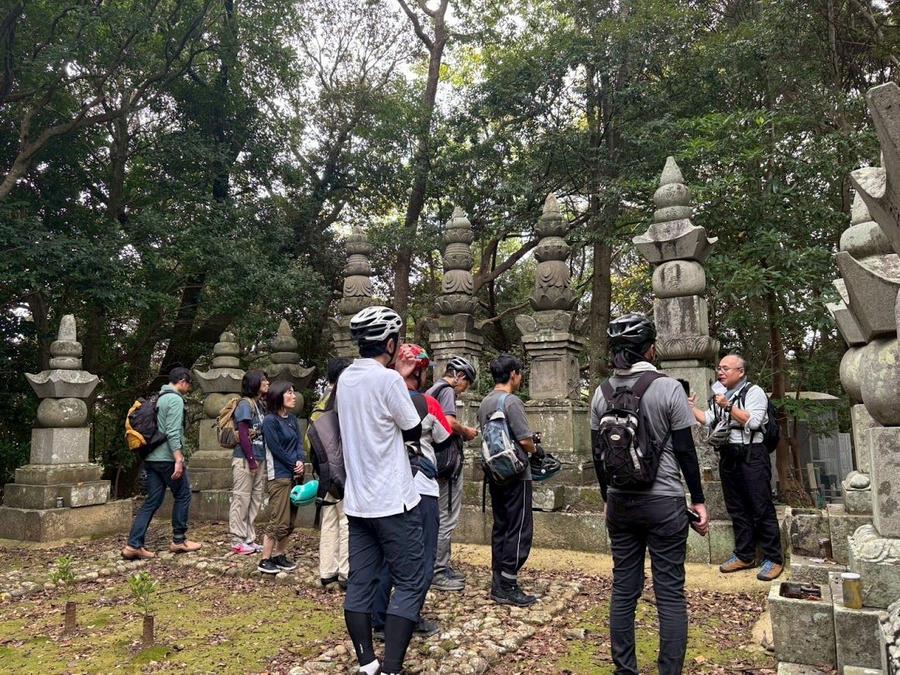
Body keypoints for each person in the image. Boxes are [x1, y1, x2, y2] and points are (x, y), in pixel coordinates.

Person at [590, 313, 708, 675]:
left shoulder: (601, 392)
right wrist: (698, 500)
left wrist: (606, 499)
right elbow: (687, 451)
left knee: (624, 588)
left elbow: (598, 454)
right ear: (650, 349)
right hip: (665, 500)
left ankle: (625, 670)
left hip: (621, 501)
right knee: (669, 592)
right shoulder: (669, 387)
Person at [338, 306, 427, 675]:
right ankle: (392, 667)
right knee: (411, 580)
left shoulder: (345, 379)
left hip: (358, 502)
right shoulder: (388, 381)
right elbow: (412, 427)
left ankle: (367, 663)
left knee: (361, 582)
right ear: (390, 343)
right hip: (393, 500)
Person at [373, 343, 452, 640]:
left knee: (386, 556)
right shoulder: (427, 404)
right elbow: (444, 439)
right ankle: (409, 617)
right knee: (422, 556)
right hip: (422, 486)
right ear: (419, 372)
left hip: (387, 487)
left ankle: (378, 619)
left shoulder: (377, 400)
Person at [689, 354, 784, 581]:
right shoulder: (720, 395)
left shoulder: (754, 392)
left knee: (760, 506)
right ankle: (744, 554)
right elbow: (708, 419)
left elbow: (752, 421)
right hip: (729, 456)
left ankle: (774, 558)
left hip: (752, 455)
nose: (720, 372)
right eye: (719, 368)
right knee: (737, 508)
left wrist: (729, 405)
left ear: (740, 372)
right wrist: (690, 407)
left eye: (725, 369)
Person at [476, 353, 539, 607]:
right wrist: (536, 449)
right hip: (516, 474)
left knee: (501, 526)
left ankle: (497, 581)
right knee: (519, 528)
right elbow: (524, 440)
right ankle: (509, 584)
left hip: (495, 474)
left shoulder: (485, 402)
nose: (520, 377)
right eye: (520, 373)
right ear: (513, 374)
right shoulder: (511, 402)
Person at [122, 367, 202, 560]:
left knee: (152, 501)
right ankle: (179, 540)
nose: (189, 388)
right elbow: (173, 432)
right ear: (182, 381)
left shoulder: (157, 397)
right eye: (189, 384)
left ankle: (133, 545)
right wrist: (179, 459)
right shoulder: (174, 399)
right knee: (183, 494)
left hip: (151, 458)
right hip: (167, 458)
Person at [425, 356, 478, 592]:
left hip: (432, 461)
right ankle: (438, 571)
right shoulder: (446, 390)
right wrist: (466, 431)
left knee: (439, 516)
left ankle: (440, 566)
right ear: (461, 377)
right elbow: (448, 422)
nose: (464, 390)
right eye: (467, 385)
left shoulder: (432, 389)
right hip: (447, 464)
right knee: (446, 516)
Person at [308, 357, 351, 588]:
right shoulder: (341, 402)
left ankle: (327, 571)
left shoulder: (320, 404)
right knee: (346, 520)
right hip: (342, 470)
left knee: (329, 520)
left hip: (324, 471)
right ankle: (346, 572)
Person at [257, 381, 305, 575]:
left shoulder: (292, 419)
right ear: (278, 396)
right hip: (279, 475)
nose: (294, 397)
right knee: (278, 519)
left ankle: (280, 554)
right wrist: (294, 464)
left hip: (295, 475)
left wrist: (301, 460)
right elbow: (275, 449)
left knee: (290, 521)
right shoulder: (270, 421)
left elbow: (299, 444)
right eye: (289, 393)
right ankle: (264, 559)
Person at [229, 369, 269, 555]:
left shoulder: (259, 404)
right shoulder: (245, 404)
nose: (267, 383)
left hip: (259, 457)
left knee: (255, 498)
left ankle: (249, 538)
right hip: (246, 458)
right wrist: (251, 460)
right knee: (241, 497)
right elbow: (243, 433)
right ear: (254, 383)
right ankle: (237, 540)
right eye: (263, 380)